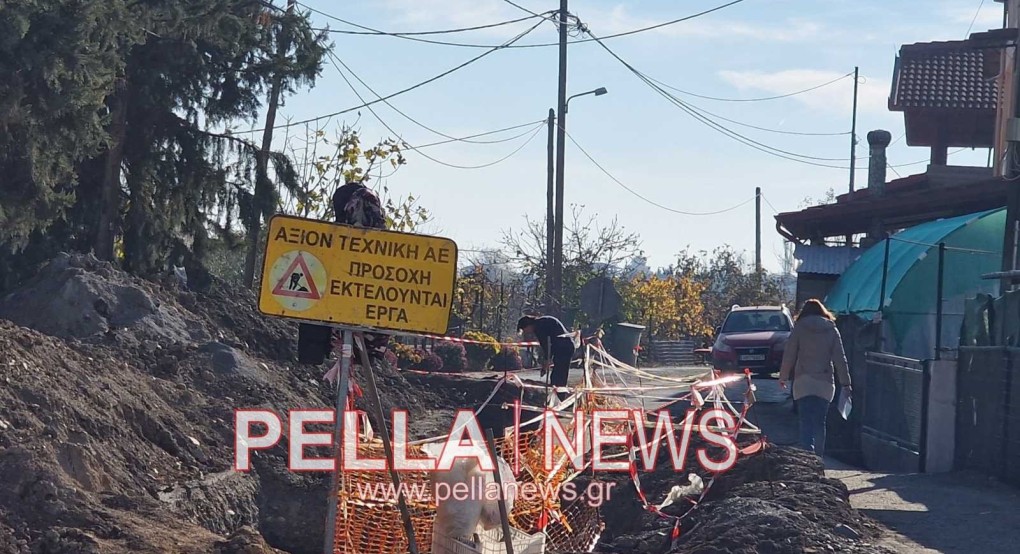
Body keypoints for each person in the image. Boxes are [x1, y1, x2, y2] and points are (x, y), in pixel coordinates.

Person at [778, 299, 852, 457]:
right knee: (820, 422)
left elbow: (789, 355)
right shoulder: (832, 329)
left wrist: (783, 376)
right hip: (825, 382)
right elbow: (840, 358)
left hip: (803, 381)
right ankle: (819, 459)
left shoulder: (799, 328)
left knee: (805, 422)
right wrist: (846, 383)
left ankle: (808, 458)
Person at [517, 315, 576, 400]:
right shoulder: (541, 323)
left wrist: (546, 362)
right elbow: (548, 347)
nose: (526, 332)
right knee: (558, 374)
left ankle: (560, 397)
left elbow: (546, 347)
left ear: (528, 325)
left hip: (564, 348)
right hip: (564, 347)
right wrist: (547, 361)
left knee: (559, 375)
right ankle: (559, 396)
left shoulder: (539, 327)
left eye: (524, 329)